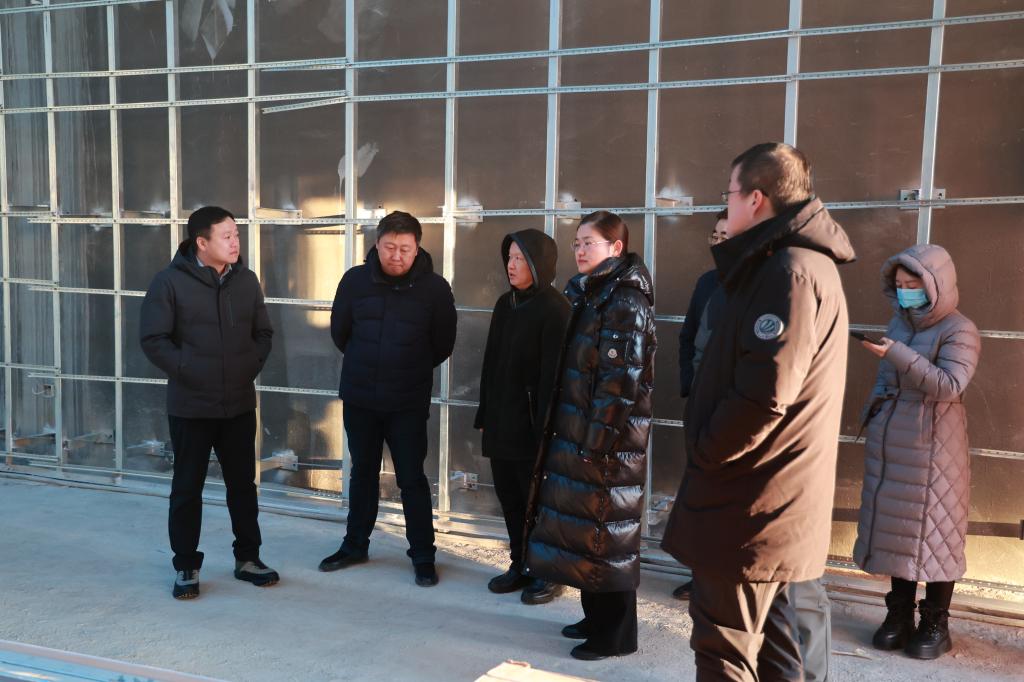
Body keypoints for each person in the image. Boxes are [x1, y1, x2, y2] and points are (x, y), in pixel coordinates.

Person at [661, 142, 856, 681]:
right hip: (764, 498)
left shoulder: (788, 272)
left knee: (723, 649)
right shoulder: (792, 266)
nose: (726, 205)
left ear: (755, 198)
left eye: (729, 193)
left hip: (749, 499)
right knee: (773, 650)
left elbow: (764, 395)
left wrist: (706, 452)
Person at [523, 211, 657, 661]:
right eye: (577, 242)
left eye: (589, 243)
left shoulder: (625, 301)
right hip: (582, 434)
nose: (580, 250)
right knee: (586, 535)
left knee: (608, 536)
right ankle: (594, 618)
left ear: (616, 248)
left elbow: (620, 383)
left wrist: (597, 445)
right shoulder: (589, 292)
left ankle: (616, 635)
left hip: (609, 445)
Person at [140, 205, 278, 600]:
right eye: (227, 236)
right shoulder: (169, 282)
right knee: (187, 488)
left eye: (237, 235)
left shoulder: (246, 281)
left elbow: (263, 333)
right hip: (191, 405)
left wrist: (248, 366)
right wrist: (190, 369)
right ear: (202, 242)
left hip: (238, 403)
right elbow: (153, 339)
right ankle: (186, 565)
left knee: (243, 486)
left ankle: (248, 558)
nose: (235, 242)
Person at [853, 244, 980, 660]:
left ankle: (935, 623)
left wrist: (898, 353)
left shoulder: (960, 329)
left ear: (936, 284)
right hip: (893, 439)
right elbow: (885, 379)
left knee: (937, 530)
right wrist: (872, 417)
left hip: (935, 443)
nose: (906, 291)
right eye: (900, 284)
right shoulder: (900, 323)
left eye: (914, 284)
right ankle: (899, 615)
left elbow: (949, 385)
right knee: (898, 528)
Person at [320, 211, 457, 587]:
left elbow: (442, 344)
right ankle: (354, 545)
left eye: (405, 248)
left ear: (417, 248)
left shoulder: (434, 289)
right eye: (389, 247)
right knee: (362, 472)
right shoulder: (355, 281)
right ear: (377, 244)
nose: (396, 255)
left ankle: (423, 555)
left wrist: (407, 367)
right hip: (360, 397)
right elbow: (340, 332)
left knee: (411, 478)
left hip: (407, 400)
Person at [475, 229, 570, 604]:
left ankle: (547, 572)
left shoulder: (555, 309)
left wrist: (546, 429)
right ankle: (520, 563)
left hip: (532, 427)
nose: (511, 265)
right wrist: (484, 411)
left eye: (520, 259)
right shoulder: (505, 304)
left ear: (539, 264)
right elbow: (490, 363)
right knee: (510, 498)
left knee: (539, 504)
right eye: (509, 257)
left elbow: (554, 378)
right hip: (501, 422)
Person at [673, 209, 728, 601]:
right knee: (700, 491)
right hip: (700, 404)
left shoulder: (759, 285)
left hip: (734, 408)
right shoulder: (707, 282)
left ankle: (723, 576)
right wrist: (690, 386)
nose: (719, 242)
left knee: (728, 493)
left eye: (727, 236)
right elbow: (687, 336)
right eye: (715, 235)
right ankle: (701, 573)